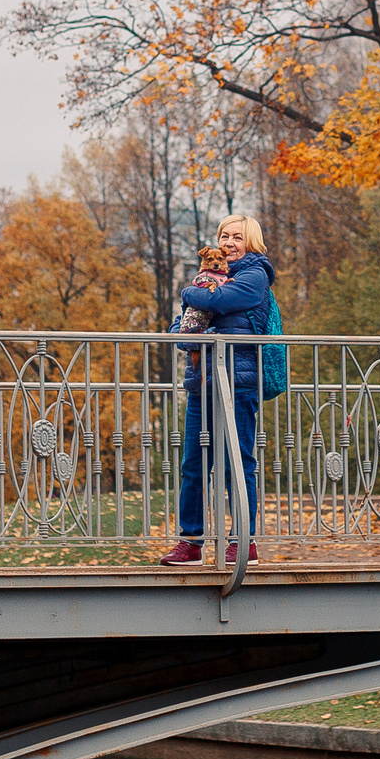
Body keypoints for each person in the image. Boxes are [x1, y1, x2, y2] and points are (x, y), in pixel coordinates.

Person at [158, 215, 274, 567]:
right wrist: (192, 327)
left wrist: (188, 292)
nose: (229, 242)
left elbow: (218, 302)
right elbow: (180, 328)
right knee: (192, 464)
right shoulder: (209, 276)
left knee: (237, 464)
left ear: (250, 241)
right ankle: (190, 542)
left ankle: (243, 543)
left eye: (237, 237)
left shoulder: (255, 275)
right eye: (224, 235)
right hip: (201, 381)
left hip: (237, 382)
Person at [172, 244, 228, 334]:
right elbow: (202, 287)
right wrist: (211, 285)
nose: (216, 262)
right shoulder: (205, 276)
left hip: (207, 318)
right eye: (210, 259)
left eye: (220, 259)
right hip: (194, 321)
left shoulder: (221, 276)